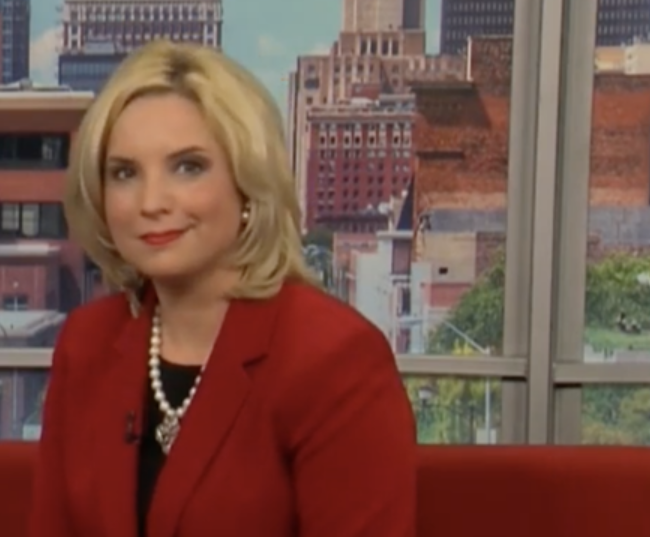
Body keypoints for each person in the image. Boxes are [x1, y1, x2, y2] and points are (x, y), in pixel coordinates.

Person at [28, 40, 417, 537]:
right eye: (124, 173)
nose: (151, 202)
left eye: (188, 166)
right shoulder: (88, 343)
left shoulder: (333, 359)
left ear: (247, 184)